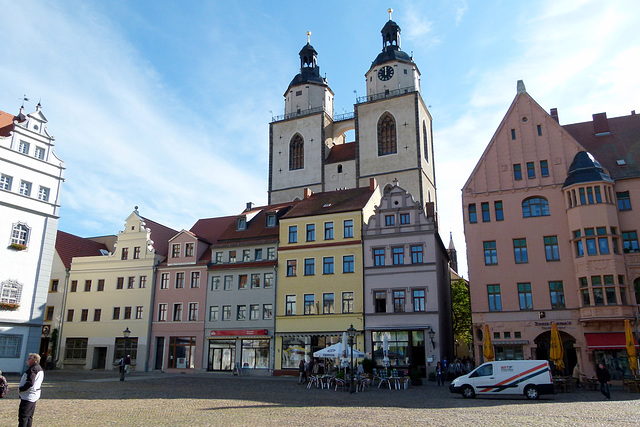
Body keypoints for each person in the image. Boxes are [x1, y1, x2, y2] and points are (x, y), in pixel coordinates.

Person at [18, 353, 44, 427]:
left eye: (29, 358)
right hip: (34, 395)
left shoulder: (33, 369)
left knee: (23, 416)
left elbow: (30, 383)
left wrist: (21, 389)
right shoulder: (38, 368)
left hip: (28, 395)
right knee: (29, 417)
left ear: (34, 360)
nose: (27, 360)